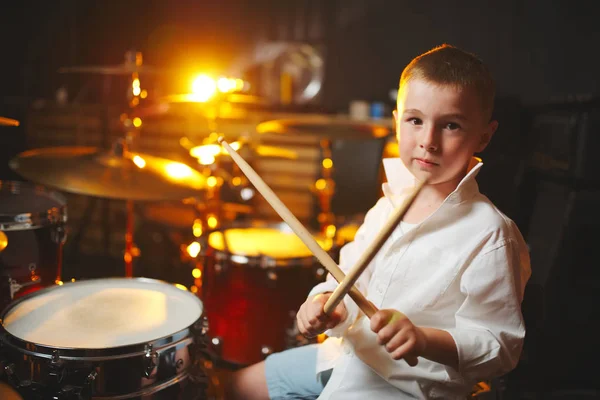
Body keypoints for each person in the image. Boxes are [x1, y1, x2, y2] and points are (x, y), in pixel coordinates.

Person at [226, 43, 531, 399]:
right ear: (396, 121)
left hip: (409, 386)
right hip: (345, 357)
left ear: (484, 136)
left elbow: (500, 346)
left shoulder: (492, 234)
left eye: (450, 125)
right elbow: (348, 279)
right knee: (237, 387)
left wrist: (422, 338)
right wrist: (328, 305)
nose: (428, 142)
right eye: (415, 120)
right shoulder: (386, 206)